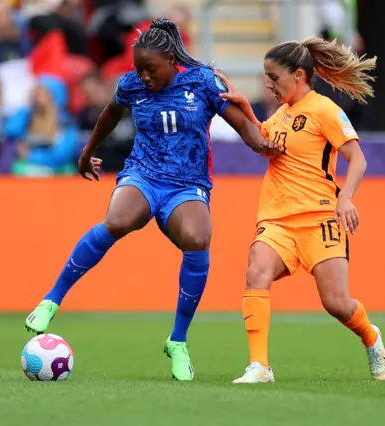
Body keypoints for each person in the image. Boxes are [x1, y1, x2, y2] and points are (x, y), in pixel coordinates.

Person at [24, 18, 276, 381]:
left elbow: (244, 128)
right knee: (117, 220)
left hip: (188, 186)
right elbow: (111, 112)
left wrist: (266, 146)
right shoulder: (131, 86)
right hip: (143, 174)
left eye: (151, 68)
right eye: (138, 69)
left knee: (198, 238)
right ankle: (52, 299)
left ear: (172, 59)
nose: (143, 76)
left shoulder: (203, 81)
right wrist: (87, 152)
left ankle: (178, 340)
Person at [213, 37, 385, 383]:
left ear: (298, 75)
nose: (268, 84)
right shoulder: (279, 115)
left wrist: (345, 198)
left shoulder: (324, 110)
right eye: (266, 77)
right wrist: (245, 108)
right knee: (256, 273)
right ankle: (260, 366)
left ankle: (371, 335)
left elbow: (358, 159)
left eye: (273, 76)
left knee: (337, 303)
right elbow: (266, 144)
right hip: (277, 219)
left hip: (319, 218)